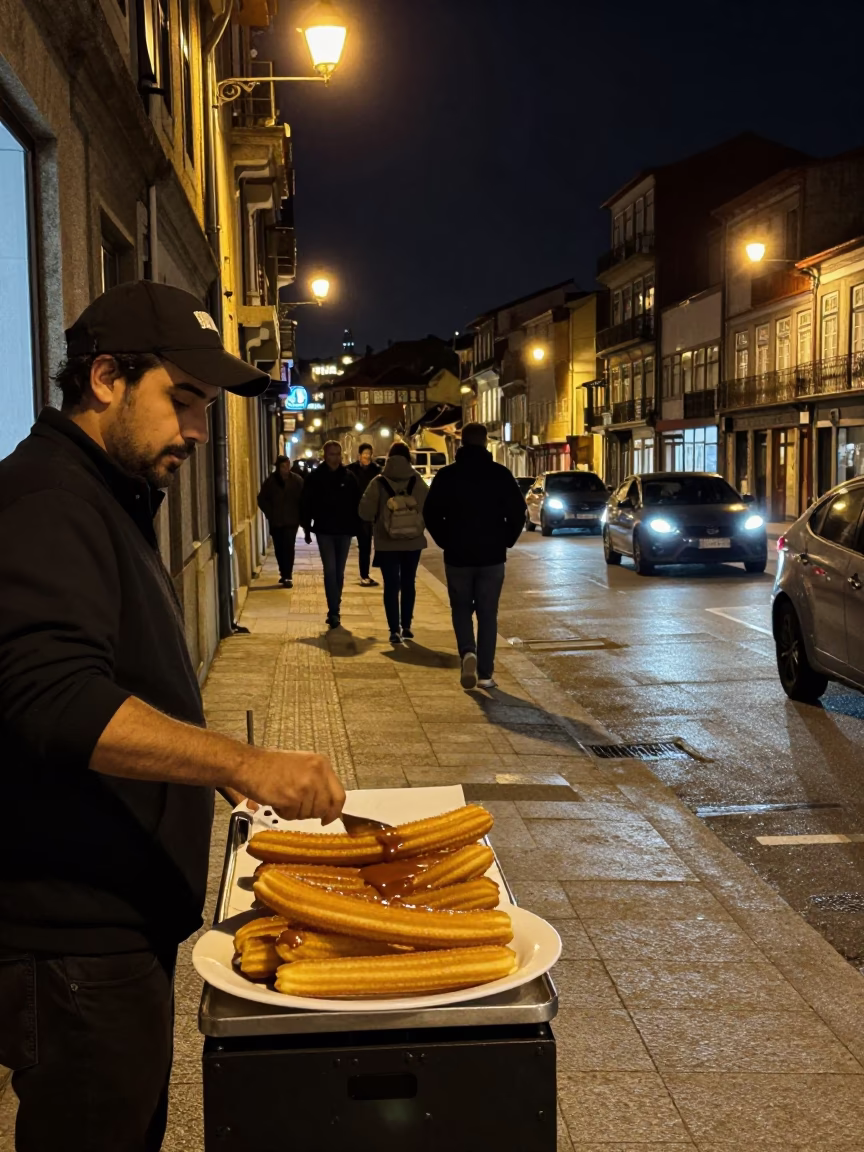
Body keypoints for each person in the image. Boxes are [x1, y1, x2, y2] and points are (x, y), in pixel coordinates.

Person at [0, 281, 345, 1152]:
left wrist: (198, 779)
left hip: (112, 931)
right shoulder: (49, 500)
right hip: (73, 940)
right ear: (106, 378)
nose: (197, 430)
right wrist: (240, 763)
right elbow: (54, 697)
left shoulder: (100, 494)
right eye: (182, 401)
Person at [424, 422, 526, 690]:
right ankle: (485, 674)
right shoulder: (500, 475)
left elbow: (431, 513)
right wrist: (506, 540)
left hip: (457, 555)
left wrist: (446, 540)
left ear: (461, 442)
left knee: (460, 608)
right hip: (492, 556)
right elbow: (518, 512)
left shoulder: (447, 476)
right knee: (488, 613)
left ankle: (467, 651)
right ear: (485, 443)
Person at [359, 441, 428, 645]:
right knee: (409, 583)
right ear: (409, 458)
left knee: (391, 585)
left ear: (389, 458)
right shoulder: (417, 481)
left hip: (387, 543)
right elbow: (429, 506)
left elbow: (364, 511)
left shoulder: (378, 482)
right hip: (412, 542)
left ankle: (393, 630)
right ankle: (406, 626)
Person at [300, 440, 360, 628]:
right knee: (330, 570)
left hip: (344, 530)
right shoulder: (316, 477)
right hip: (324, 529)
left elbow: (357, 503)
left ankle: (335, 606)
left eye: (337, 454)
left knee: (339, 572)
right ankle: (333, 610)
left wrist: (358, 527)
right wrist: (307, 528)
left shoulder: (349, 477)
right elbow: (306, 503)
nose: (335, 458)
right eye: (331, 454)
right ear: (325, 456)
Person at [257, 455, 303, 586]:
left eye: (287, 465)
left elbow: (304, 498)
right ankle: (283, 572)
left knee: (289, 547)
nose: (286, 469)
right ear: (278, 467)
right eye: (283, 466)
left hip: (291, 521)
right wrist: (270, 513)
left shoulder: (297, 480)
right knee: (279, 548)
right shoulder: (271, 481)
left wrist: (301, 516)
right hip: (276, 522)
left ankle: (288, 575)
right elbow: (261, 499)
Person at [347, 442, 381, 587]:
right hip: (355, 512)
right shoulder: (350, 470)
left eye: (369, 453)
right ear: (359, 455)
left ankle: (367, 574)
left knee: (372, 545)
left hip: (371, 512)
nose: (367, 456)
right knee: (360, 545)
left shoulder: (376, 470)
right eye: (364, 453)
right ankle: (362, 574)